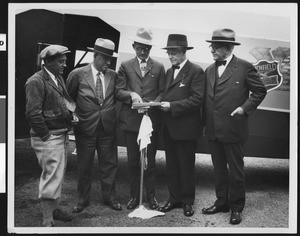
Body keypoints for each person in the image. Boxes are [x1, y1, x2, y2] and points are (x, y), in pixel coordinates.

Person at [202, 28, 267, 224]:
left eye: (215, 47)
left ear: (228, 48)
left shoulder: (245, 67)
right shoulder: (209, 70)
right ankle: (221, 202)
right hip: (213, 129)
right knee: (219, 169)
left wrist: (244, 109)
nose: (211, 50)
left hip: (234, 128)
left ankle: (236, 207)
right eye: (211, 46)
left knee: (236, 171)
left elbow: (260, 91)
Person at [66, 38, 122, 213]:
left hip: (107, 129)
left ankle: (110, 198)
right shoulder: (77, 74)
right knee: (84, 166)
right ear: (95, 56)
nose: (108, 62)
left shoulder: (113, 75)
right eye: (104, 58)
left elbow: (120, 95)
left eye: (110, 59)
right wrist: (73, 114)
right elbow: (67, 99)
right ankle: (82, 200)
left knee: (110, 165)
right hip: (85, 129)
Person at [25, 44, 76, 227]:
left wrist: (73, 114)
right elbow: (32, 113)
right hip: (49, 137)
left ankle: (54, 209)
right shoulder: (35, 81)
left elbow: (65, 101)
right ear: (48, 62)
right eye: (61, 62)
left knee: (58, 175)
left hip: (60, 134)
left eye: (64, 61)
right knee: (51, 176)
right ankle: (48, 220)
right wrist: (46, 137)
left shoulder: (57, 77)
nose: (64, 65)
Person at [115, 28, 165, 210]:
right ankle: (134, 196)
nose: (143, 52)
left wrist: (154, 103)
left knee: (150, 162)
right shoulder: (125, 66)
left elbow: (162, 92)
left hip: (150, 121)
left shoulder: (159, 67)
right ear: (134, 46)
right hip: (131, 122)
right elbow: (118, 91)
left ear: (150, 48)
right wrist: (132, 95)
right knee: (133, 161)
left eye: (146, 48)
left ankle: (151, 197)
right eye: (139, 48)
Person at [158, 34, 205, 217]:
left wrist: (172, 106)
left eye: (174, 53)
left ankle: (187, 201)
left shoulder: (196, 71)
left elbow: (197, 99)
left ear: (184, 52)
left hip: (186, 129)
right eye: (169, 53)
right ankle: (174, 198)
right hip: (169, 127)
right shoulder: (170, 72)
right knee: (172, 165)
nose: (171, 56)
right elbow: (166, 94)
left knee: (186, 166)